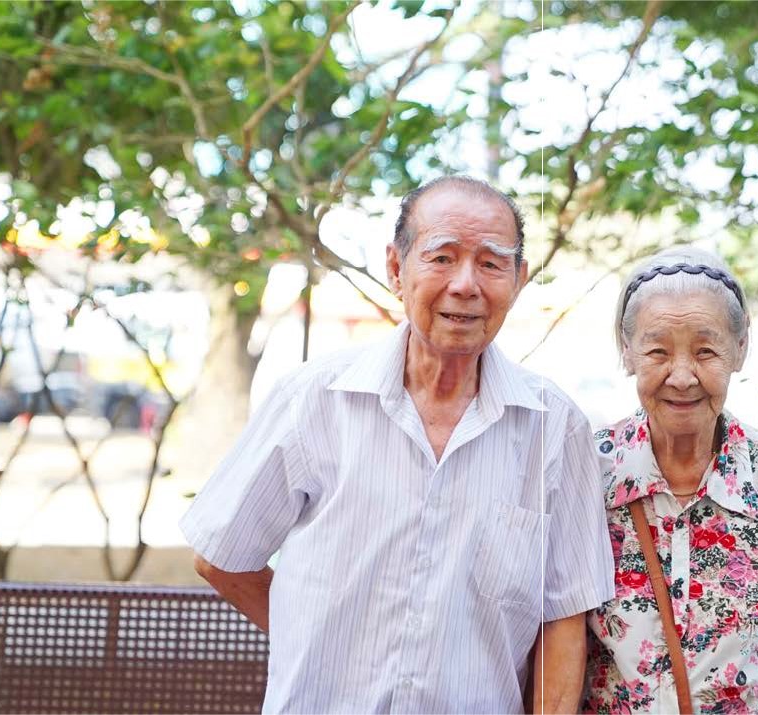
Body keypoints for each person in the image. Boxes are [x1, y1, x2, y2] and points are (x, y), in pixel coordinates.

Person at [181, 176, 613, 713]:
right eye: (441, 257)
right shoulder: (315, 400)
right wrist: (316, 635)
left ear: (518, 280)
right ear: (395, 269)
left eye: (491, 263)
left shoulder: (555, 428)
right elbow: (222, 556)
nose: (465, 284)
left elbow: (563, 616)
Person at [582, 246, 758, 714]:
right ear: (627, 352)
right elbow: (554, 648)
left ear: (739, 350)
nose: (682, 376)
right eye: (657, 351)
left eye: (706, 351)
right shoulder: (586, 470)